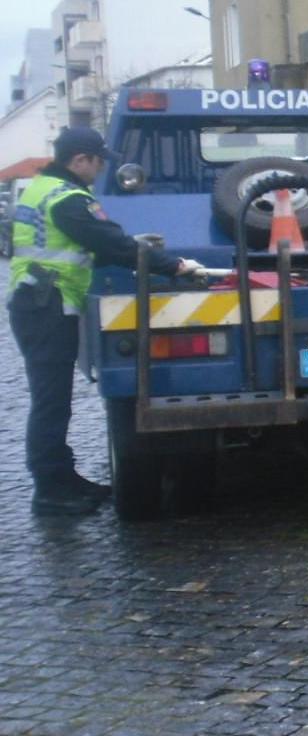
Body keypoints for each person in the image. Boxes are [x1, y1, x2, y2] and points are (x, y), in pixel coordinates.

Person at [9, 128, 200, 515]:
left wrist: (130, 246)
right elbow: (111, 244)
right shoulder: (68, 199)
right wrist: (175, 265)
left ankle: (61, 478)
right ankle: (50, 489)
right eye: (98, 162)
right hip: (47, 305)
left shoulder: (40, 187)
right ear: (80, 160)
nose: (99, 170)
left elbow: (84, 247)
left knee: (52, 400)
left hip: (37, 302)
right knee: (50, 401)